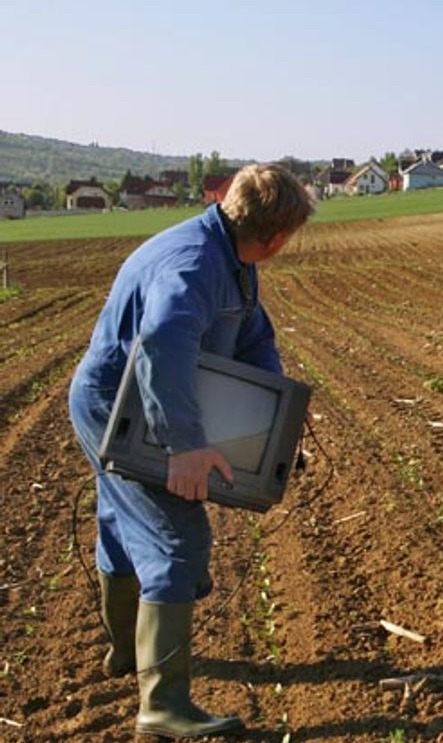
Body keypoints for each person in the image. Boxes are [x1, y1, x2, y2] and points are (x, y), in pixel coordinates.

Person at [68, 164, 313, 738]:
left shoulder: (228, 256)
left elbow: (254, 338)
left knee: (121, 523)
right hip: (119, 408)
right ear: (277, 238)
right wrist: (186, 448)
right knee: (176, 539)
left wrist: (280, 426)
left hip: (128, 400)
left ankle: (128, 653)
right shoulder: (194, 264)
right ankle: (162, 706)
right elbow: (161, 343)